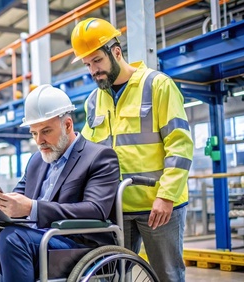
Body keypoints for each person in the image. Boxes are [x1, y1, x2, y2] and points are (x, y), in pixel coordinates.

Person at [0, 85, 121, 281]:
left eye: (46, 131)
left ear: (68, 125)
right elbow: (16, 199)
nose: (39, 140)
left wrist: (33, 208)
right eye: (34, 133)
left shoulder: (99, 157)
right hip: (29, 243)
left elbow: (95, 209)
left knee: (13, 238)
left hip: (75, 245)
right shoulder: (37, 160)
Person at [71, 18, 194, 282]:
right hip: (116, 207)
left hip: (158, 207)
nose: (93, 71)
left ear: (116, 52)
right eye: (88, 65)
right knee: (113, 276)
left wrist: (166, 196)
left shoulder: (157, 85)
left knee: (167, 275)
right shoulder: (94, 101)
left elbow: (180, 144)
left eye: (97, 61)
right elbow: (85, 151)